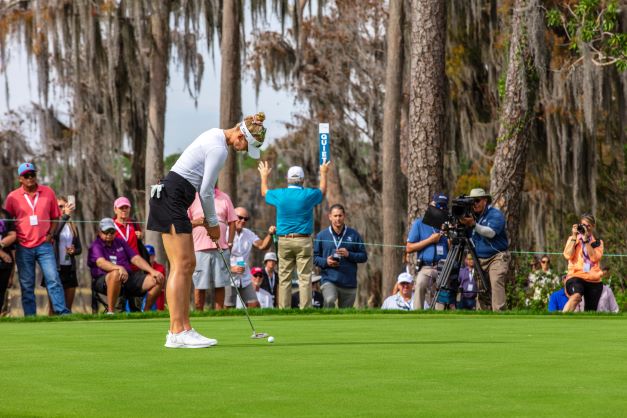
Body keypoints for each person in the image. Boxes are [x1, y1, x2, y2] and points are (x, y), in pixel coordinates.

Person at [147, 112, 266, 348]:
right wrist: (213, 224)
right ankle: (179, 330)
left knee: (186, 264)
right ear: (241, 135)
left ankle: (178, 330)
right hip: (172, 198)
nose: (243, 151)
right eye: (246, 146)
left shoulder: (215, 136)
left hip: (173, 198)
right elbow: (206, 191)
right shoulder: (219, 148)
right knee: (182, 265)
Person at [259, 161, 330, 309]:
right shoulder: (308, 194)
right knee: (305, 278)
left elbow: (264, 192)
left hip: (285, 241)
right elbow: (322, 191)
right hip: (303, 241)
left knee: (284, 278)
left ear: (288, 179)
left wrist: (264, 176)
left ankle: (284, 310)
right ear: (302, 180)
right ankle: (305, 310)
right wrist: (323, 172)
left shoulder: (280, 194)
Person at [4, 162, 70, 315]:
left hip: (44, 246)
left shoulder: (48, 192)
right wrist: (15, 238)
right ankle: (30, 316)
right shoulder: (12, 197)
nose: (30, 178)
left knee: (53, 279)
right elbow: (7, 221)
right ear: (20, 178)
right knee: (27, 284)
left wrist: (51, 234)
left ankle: (62, 312)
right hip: (23, 246)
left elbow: (55, 217)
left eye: (32, 174)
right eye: (26, 175)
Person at [89, 218, 165, 314]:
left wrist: (152, 271)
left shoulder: (120, 242)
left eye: (112, 231)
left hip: (127, 277)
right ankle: (111, 312)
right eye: (106, 231)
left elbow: (135, 258)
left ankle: (145, 312)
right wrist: (119, 268)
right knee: (116, 274)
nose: (109, 234)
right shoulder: (96, 245)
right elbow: (101, 263)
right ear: (99, 232)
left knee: (158, 278)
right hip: (103, 280)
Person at [460, 188, 509, 311]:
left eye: (477, 200)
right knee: (481, 289)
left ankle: (500, 313)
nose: (474, 204)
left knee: (496, 280)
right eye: (472, 201)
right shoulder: (470, 215)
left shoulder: (495, 214)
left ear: (485, 201)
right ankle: (482, 315)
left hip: (496, 257)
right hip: (478, 259)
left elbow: (491, 233)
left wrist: (473, 225)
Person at [188, 190, 237, 311]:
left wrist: (229, 242)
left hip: (220, 248)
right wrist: (197, 221)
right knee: (200, 285)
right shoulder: (191, 198)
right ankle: (199, 313)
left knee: (220, 284)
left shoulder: (224, 196)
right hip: (199, 249)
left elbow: (232, 222)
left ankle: (218, 313)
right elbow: (184, 223)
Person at [313, 204, 367, 308]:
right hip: (329, 280)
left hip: (349, 282)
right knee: (329, 300)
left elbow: (363, 256)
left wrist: (349, 254)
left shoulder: (353, 234)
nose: (338, 218)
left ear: (344, 216)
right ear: (330, 217)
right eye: (335, 216)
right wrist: (326, 262)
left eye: (340, 215)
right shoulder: (322, 235)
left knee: (346, 314)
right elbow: (314, 258)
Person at [406, 193, 450, 310]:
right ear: (432, 205)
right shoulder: (419, 223)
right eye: (438, 205)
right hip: (427, 266)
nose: (441, 209)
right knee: (420, 283)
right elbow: (409, 248)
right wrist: (430, 240)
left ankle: (440, 315)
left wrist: (449, 234)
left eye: (444, 206)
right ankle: (417, 313)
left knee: (445, 288)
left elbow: (452, 249)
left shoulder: (447, 225)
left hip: (444, 266)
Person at [229, 206, 275, 309]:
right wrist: (231, 268)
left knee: (254, 305)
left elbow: (262, 245)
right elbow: (219, 256)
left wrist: (270, 235)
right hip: (228, 277)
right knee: (227, 308)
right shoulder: (225, 232)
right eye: (240, 217)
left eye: (246, 219)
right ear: (232, 216)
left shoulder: (248, 233)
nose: (243, 221)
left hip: (244, 277)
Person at [43, 196, 82, 315]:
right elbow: (54, 234)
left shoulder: (73, 226)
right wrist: (65, 216)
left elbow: (79, 249)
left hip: (69, 268)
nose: (63, 209)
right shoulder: (52, 224)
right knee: (53, 309)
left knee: (68, 309)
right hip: (55, 268)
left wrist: (73, 251)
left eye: (65, 206)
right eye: (60, 206)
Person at [562, 214, 604, 312]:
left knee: (590, 311)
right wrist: (573, 236)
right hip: (576, 276)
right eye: (583, 225)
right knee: (576, 296)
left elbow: (594, 258)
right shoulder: (573, 239)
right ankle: (561, 322)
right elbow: (567, 255)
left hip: (593, 279)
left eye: (588, 225)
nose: (586, 228)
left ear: (593, 226)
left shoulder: (598, 242)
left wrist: (586, 241)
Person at [0, 198, 17, 313]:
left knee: (1, 295)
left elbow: (13, 235)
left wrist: (12, 275)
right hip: (3, 255)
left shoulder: (6, 215)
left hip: (5, 264)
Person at [144, 244, 166, 311]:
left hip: (156, 300)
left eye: (150, 255)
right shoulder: (139, 268)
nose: (149, 257)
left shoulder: (160, 268)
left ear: (154, 256)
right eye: (146, 255)